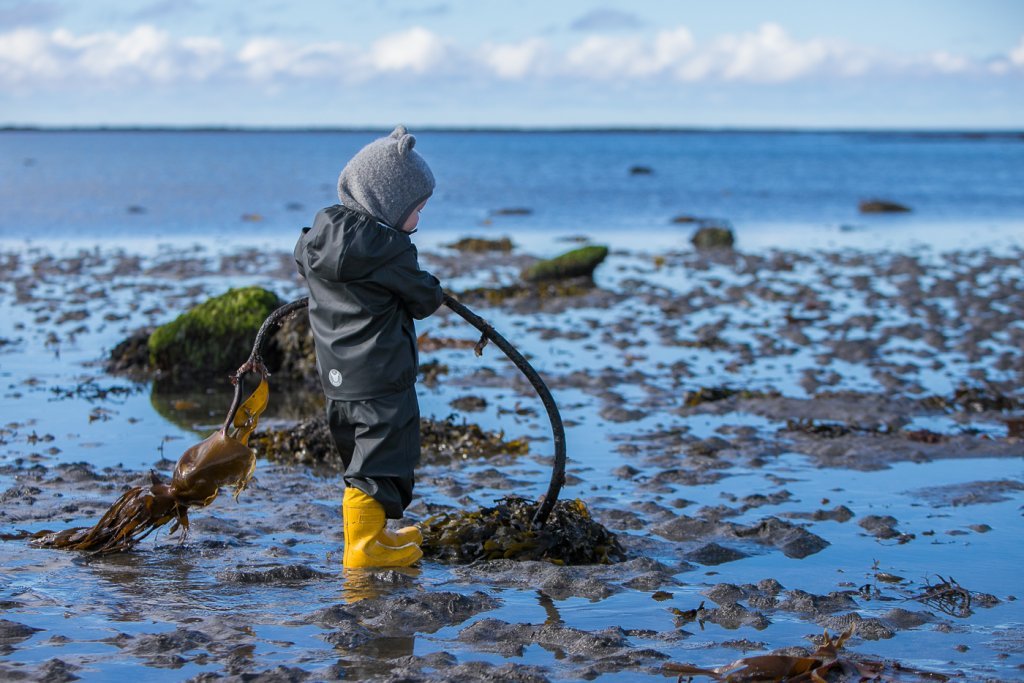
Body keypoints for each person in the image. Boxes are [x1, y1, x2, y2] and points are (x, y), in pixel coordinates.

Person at [293, 126, 443, 568]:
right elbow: (423, 299)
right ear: (387, 204)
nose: (419, 218)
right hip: (381, 376)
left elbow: (302, 259)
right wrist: (433, 286)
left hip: (337, 376)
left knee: (359, 454)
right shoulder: (388, 250)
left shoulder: (317, 237)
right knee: (381, 458)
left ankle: (370, 536)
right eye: (417, 209)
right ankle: (362, 550)